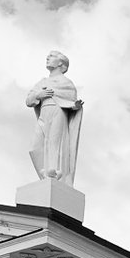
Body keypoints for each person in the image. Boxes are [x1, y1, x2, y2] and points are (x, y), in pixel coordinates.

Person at [25, 51, 83, 185]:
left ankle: (54, 174)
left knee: (55, 144)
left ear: (61, 63)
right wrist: (39, 95)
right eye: (48, 57)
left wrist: (75, 106)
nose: (48, 58)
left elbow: (70, 101)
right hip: (44, 113)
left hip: (58, 111)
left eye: (52, 57)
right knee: (35, 148)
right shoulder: (42, 82)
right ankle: (44, 175)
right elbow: (29, 101)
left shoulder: (67, 83)